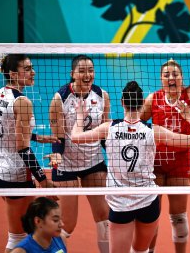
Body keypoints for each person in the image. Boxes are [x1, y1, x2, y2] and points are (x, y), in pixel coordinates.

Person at [71, 81, 190, 253]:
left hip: (121, 203)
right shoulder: (153, 131)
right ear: (142, 104)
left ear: (122, 102)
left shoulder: (109, 128)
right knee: (141, 251)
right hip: (148, 202)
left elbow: (75, 137)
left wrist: (81, 116)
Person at [140, 29, 190, 252]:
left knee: (178, 217)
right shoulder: (153, 99)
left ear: (181, 78)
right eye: (167, 74)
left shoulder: (189, 95)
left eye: (175, 74)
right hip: (154, 164)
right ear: (161, 79)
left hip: (180, 164)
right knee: (151, 216)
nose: (171, 78)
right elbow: (137, 125)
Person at [0, 54, 59, 252]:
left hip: (0, 169)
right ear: (13, 74)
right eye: (28, 68)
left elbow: (9, 130)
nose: (34, 72)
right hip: (16, 175)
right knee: (16, 238)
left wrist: (38, 137)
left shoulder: (0, 94)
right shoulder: (23, 102)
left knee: (26, 232)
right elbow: (22, 147)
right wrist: (43, 179)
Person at [49, 55, 110, 252]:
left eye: (90, 70)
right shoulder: (60, 99)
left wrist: (116, 155)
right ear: (72, 74)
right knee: (66, 224)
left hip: (93, 162)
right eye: (82, 71)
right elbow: (58, 137)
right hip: (66, 164)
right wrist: (57, 157)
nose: (87, 75)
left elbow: (103, 133)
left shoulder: (102, 96)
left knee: (104, 218)